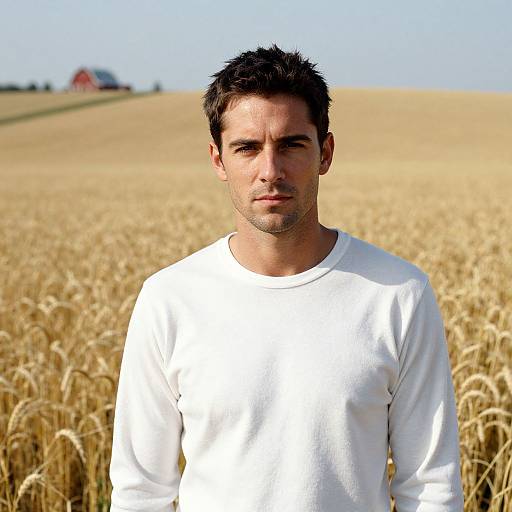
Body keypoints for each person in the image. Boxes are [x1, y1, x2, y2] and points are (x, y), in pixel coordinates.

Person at [109, 44, 464, 511]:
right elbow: (140, 493)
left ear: (326, 152)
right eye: (247, 148)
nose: (270, 171)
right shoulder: (169, 299)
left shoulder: (400, 295)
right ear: (218, 160)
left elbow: (431, 489)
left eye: (292, 144)